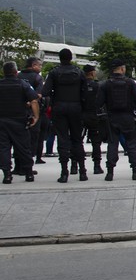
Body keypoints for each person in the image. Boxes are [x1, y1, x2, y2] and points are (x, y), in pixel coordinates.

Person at [42, 48, 88, 182]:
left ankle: (64, 172)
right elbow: (85, 93)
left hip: (59, 108)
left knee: (62, 140)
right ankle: (82, 171)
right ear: (71, 58)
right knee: (77, 140)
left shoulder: (54, 72)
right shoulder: (79, 73)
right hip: (76, 108)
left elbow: (45, 91)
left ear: (59, 58)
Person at [96, 59, 136, 181]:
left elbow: (98, 102)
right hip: (128, 117)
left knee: (112, 144)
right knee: (131, 144)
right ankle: (135, 171)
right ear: (122, 69)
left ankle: (110, 172)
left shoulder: (105, 84)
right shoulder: (130, 83)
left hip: (112, 117)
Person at [0, 61, 39, 184]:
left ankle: (7, 175)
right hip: (19, 120)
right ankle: (28, 173)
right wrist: (36, 117)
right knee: (23, 147)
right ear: (16, 72)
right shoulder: (22, 84)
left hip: (2, 121)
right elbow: (34, 101)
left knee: (4, 148)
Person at [18, 56, 48, 166]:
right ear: (33, 65)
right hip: (33, 111)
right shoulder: (37, 78)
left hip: (19, 111)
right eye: (39, 65)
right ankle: (28, 165)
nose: (40, 67)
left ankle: (18, 164)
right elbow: (38, 95)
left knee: (19, 138)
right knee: (33, 137)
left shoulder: (18, 75)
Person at [81, 64, 107, 174]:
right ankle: (97, 166)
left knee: (77, 140)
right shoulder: (97, 86)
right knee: (96, 142)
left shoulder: (79, 85)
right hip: (94, 115)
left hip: (81, 115)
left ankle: (75, 165)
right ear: (92, 73)